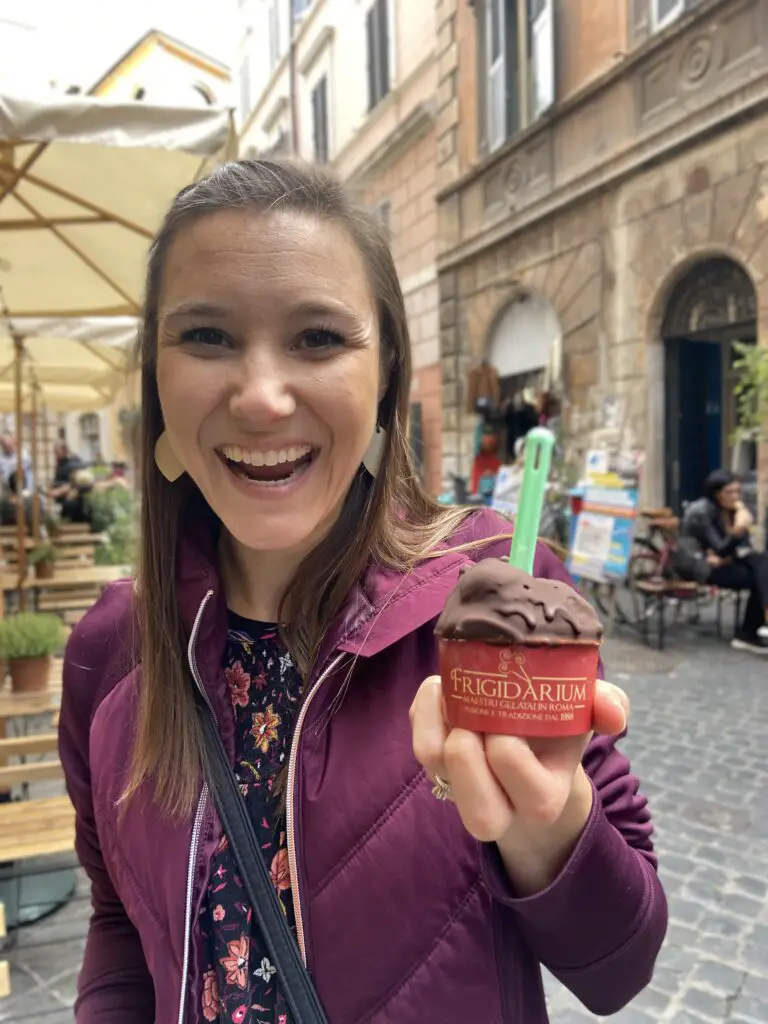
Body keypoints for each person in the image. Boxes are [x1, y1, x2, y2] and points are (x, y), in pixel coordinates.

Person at [59, 160, 667, 1024]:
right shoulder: (108, 651)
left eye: (317, 339)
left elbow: (621, 968)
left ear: (385, 373)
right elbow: (120, 920)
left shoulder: (492, 602)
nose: (262, 397)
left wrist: (553, 832)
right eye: (206, 336)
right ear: (155, 375)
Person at [681, 469, 768, 654]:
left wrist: (738, 537)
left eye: (737, 491)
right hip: (701, 565)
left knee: (761, 564)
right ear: (717, 493)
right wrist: (738, 530)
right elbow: (720, 548)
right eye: (730, 492)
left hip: (723, 562)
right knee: (757, 576)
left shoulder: (731, 510)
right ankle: (748, 633)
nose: (735, 497)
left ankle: (751, 631)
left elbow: (739, 548)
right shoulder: (702, 511)